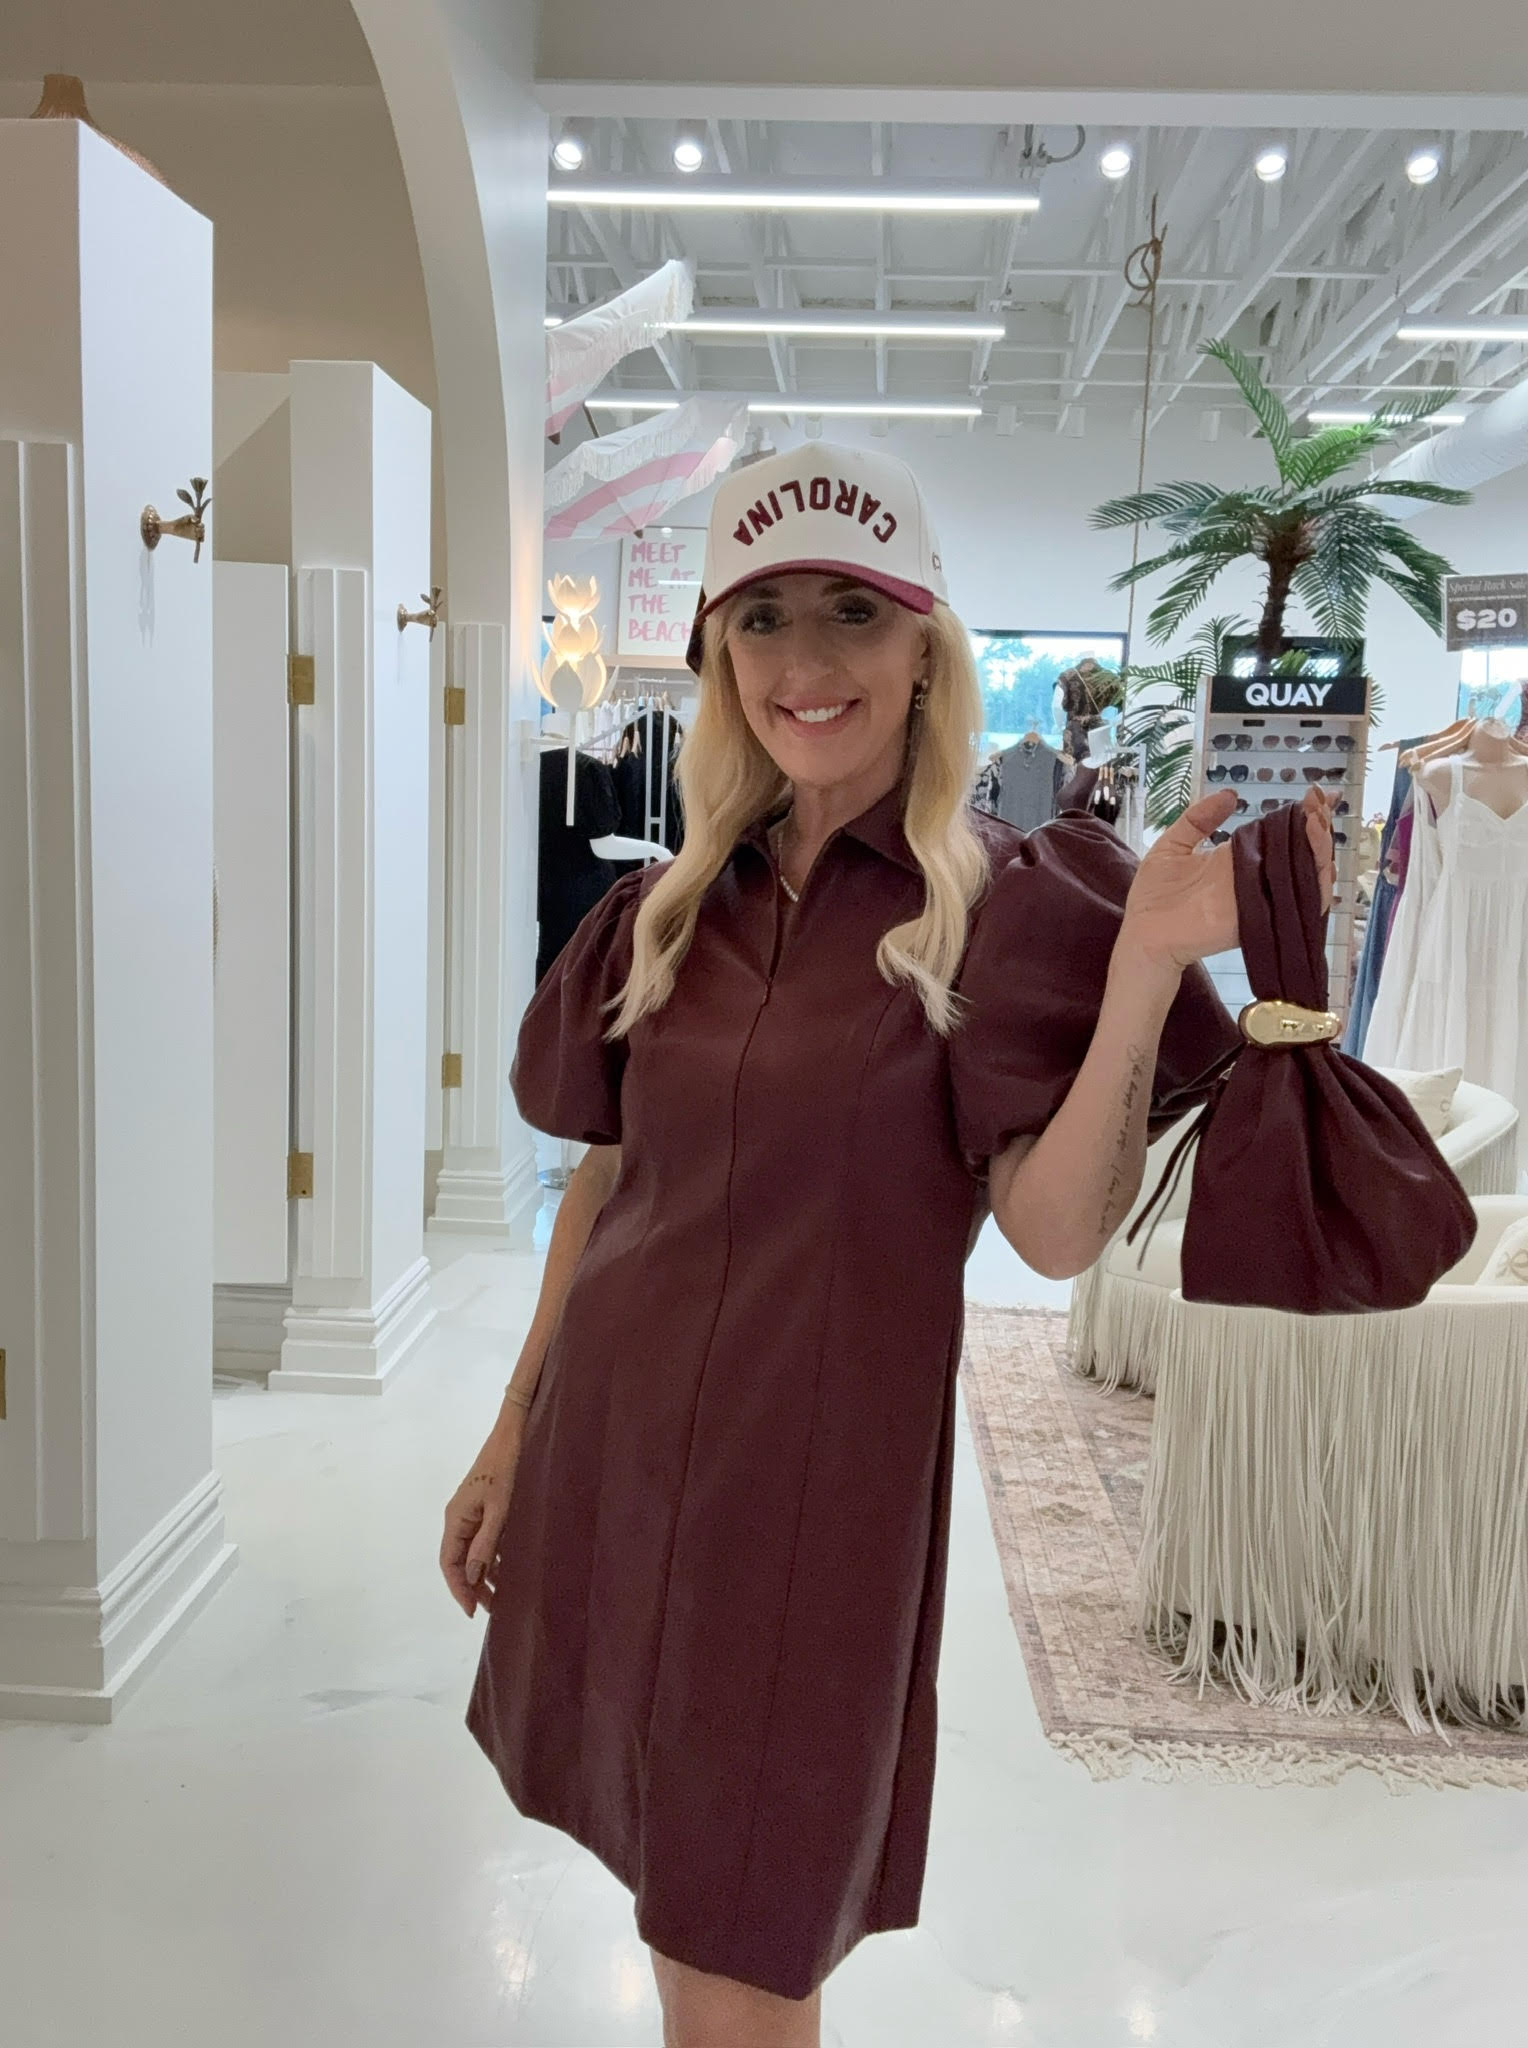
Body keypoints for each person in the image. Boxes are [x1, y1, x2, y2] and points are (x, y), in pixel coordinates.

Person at [440, 443, 1335, 2048]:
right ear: (719, 654)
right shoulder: (668, 909)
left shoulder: (994, 906)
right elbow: (607, 1186)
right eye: (765, 618)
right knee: (679, 1910)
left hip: (807, 1524)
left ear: (927, 644)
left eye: (854, 611)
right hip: (623, 1461)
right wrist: (512, 1433)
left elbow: (1054, 1237)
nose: (807, 663)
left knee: (748, 1949)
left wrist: (1138, 974)